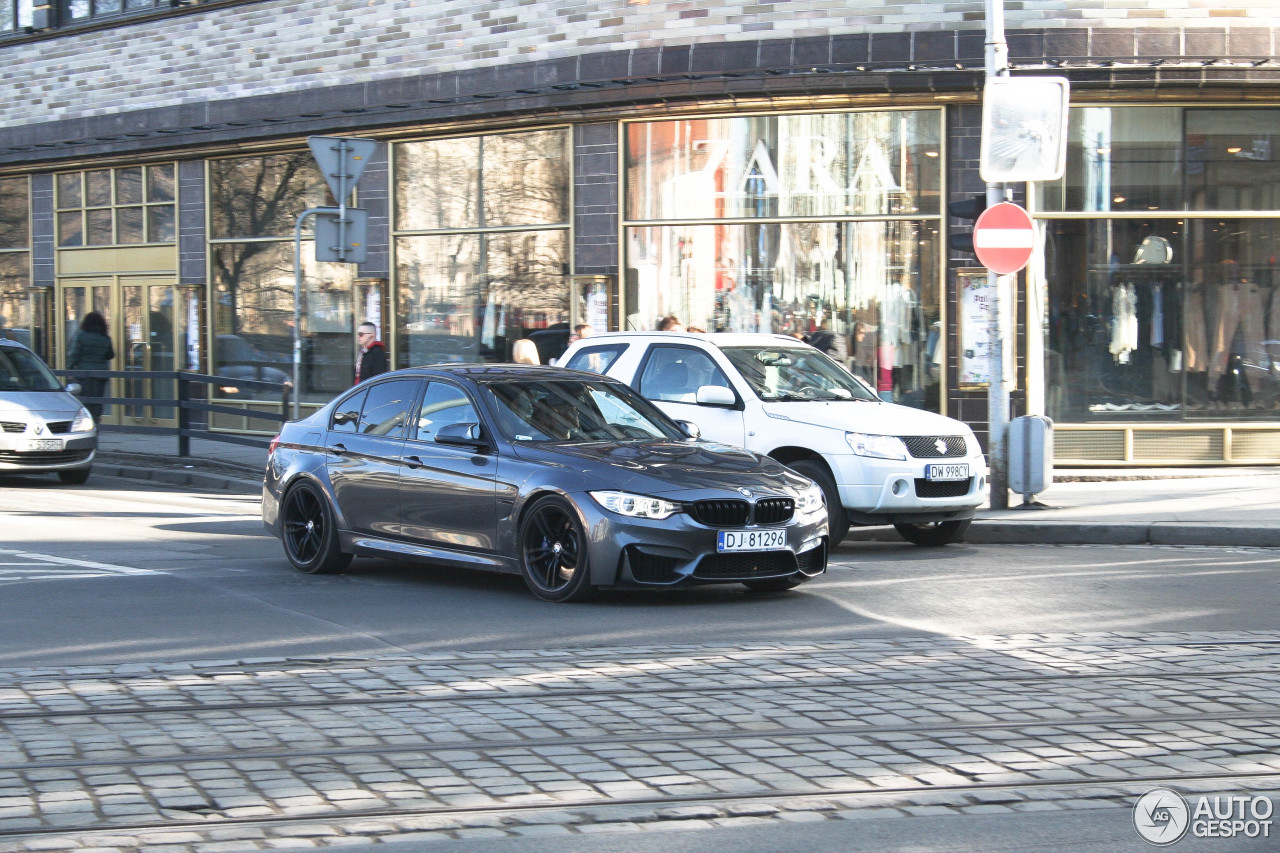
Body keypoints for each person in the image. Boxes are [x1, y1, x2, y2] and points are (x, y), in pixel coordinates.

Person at [67, 311, 114, 421]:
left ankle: (87, 422)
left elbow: (75, 354)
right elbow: (110, 355)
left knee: (85, 399)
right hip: (101, 374)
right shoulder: (105, 338)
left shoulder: (81, 336)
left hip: (84, 373)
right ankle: (96, 420)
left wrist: (69, 369)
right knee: (97, 399)